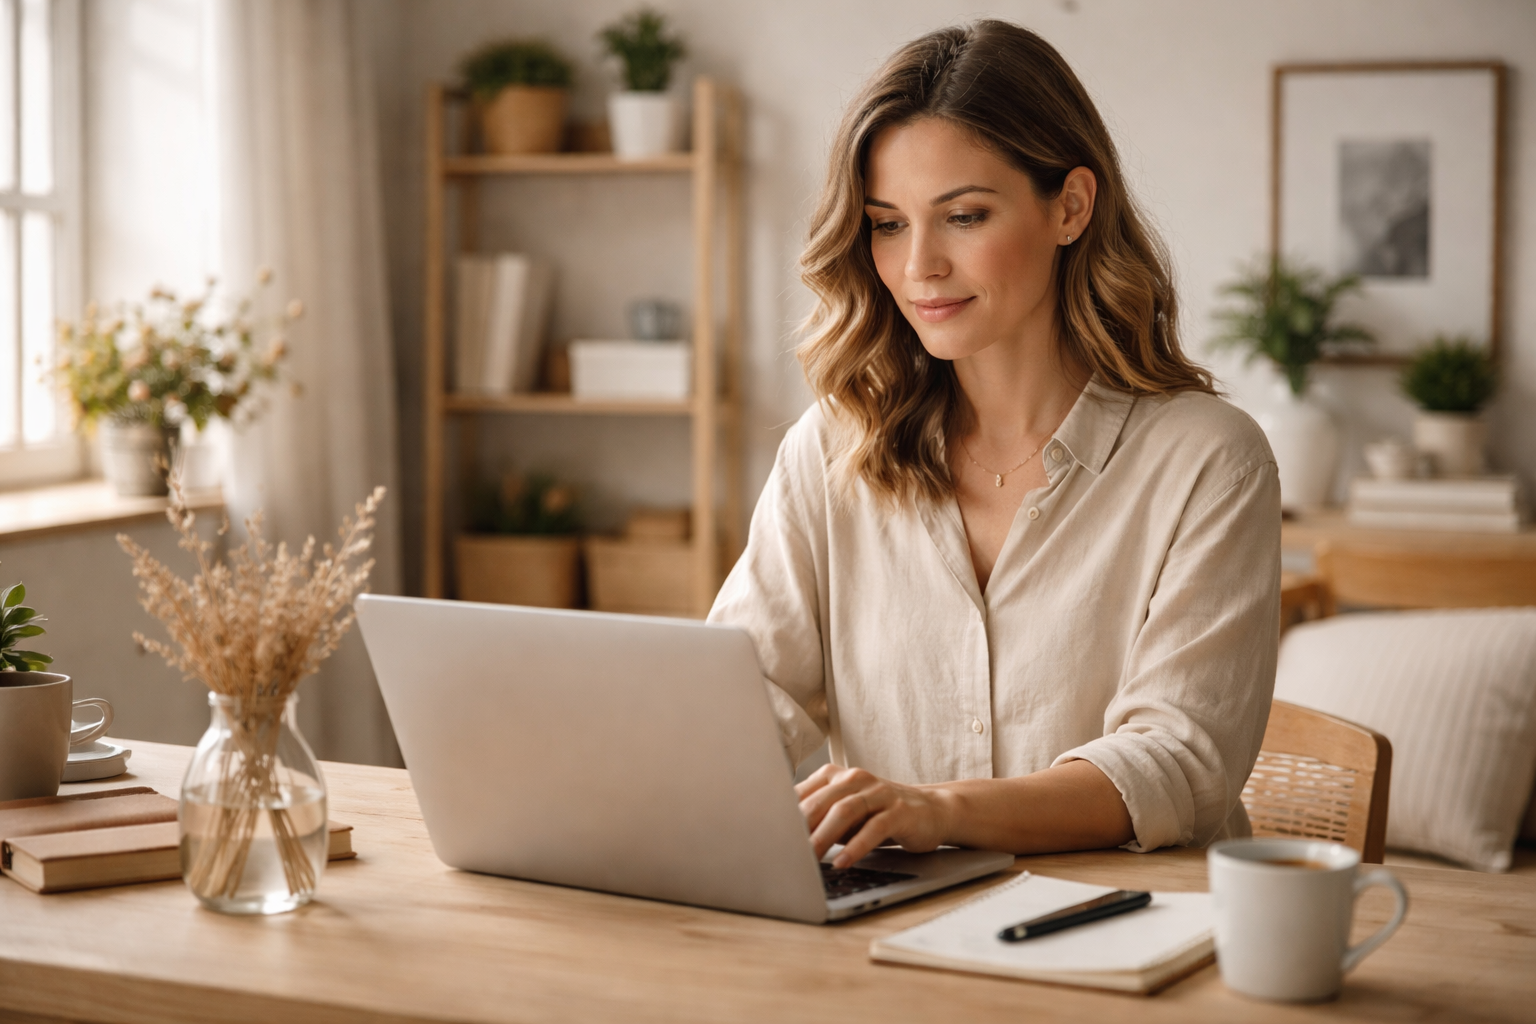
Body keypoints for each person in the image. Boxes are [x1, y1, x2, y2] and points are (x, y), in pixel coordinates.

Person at [707, 20, 1280, 869]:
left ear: (1071, 207)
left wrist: (935, 809)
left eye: (964, 216)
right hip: (883, 944)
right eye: (888, 224)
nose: (918, 266)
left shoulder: (1209, 460)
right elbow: (744, 699)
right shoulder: (831, 448)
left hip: (1132, 947)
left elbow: (1176, 762)